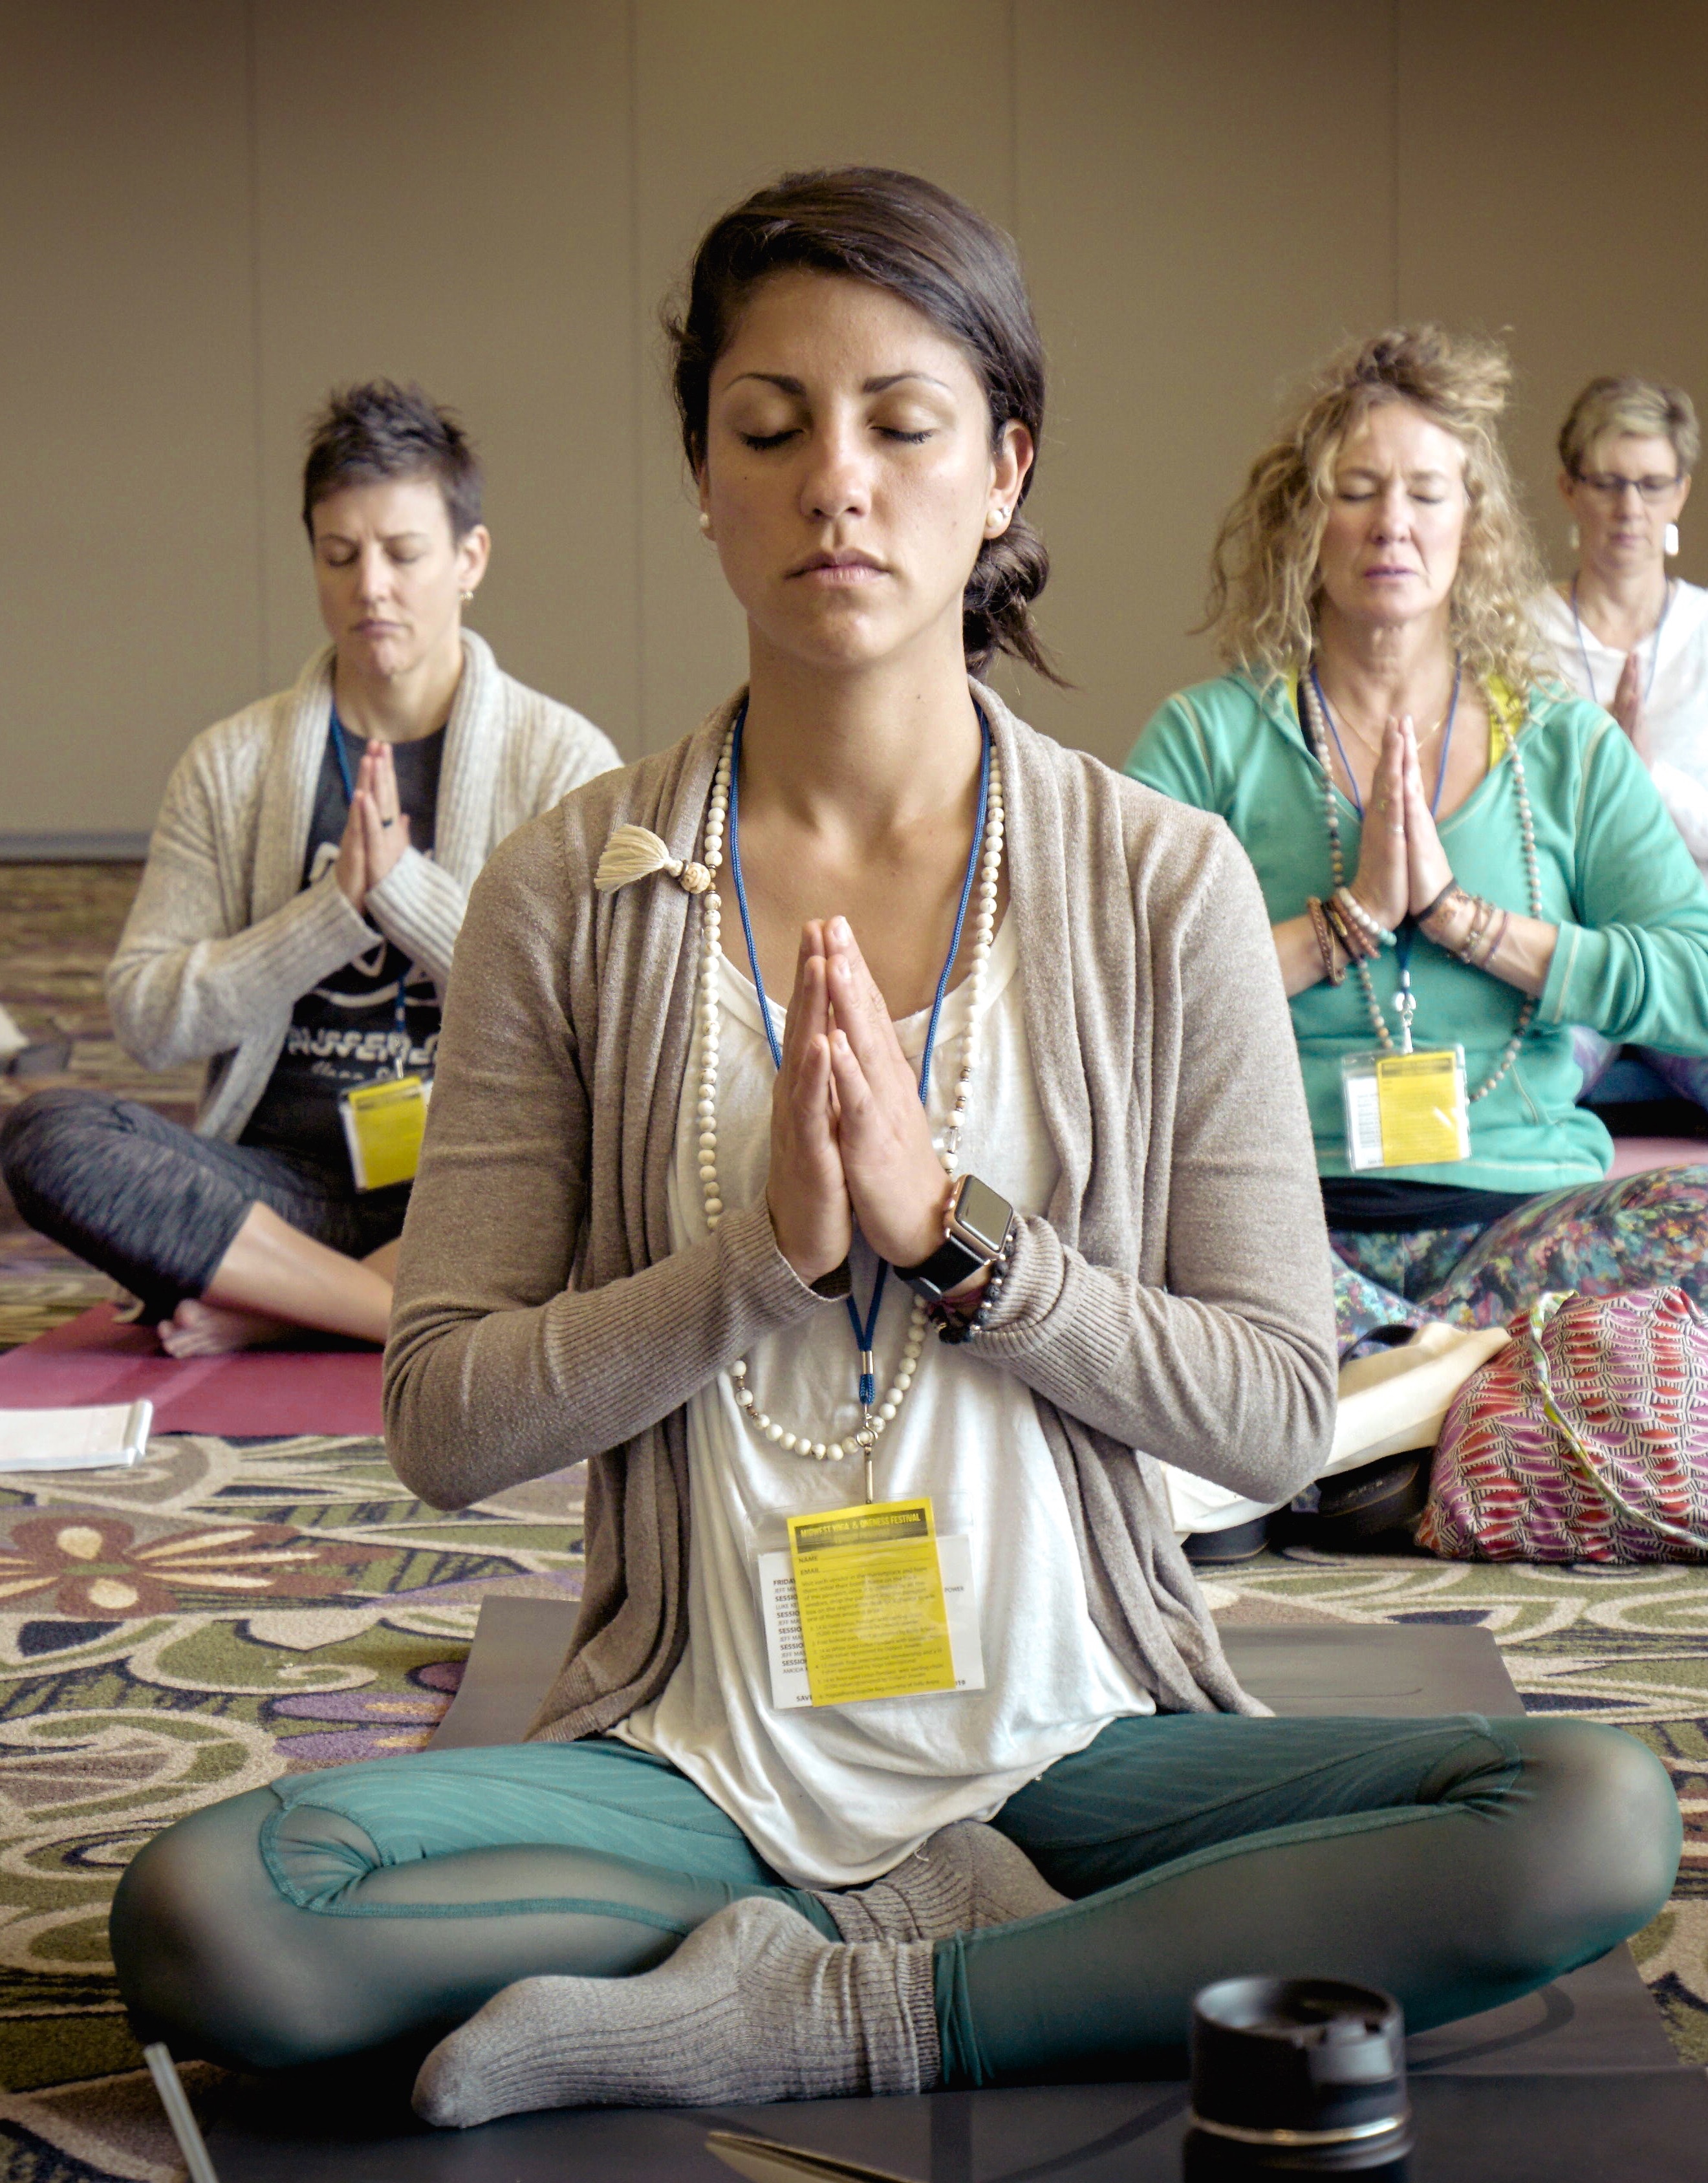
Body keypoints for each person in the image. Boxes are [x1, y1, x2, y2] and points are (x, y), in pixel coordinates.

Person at [109, 182, 1674, 2123]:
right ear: (702, 473)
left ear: (1002, 468)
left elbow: (1273, 1414)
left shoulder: (1153, 880)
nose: (833, 481)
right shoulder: (559, 894)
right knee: (219, 1913)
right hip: (696, 1756)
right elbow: (440, 1419)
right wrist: (743, 1273)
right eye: (768, 429)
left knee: (1588, 1816)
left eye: (900, 425)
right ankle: (970, 1955)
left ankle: (855, 2008)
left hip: (1070, 1742)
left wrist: (967, 1246)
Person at [1126, 327, 1708, 1545]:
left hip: (1516, 1230)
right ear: (1306, 522)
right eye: (1357, 490)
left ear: (1471, 524)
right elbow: (1121, 995)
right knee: (1106, 1260)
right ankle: (1464, 1413)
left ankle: (1356, 1433)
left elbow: (1696, 976)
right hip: (1284, 1234)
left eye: (1425, 492)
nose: (1392, 523)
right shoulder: (1210, 736)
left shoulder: (1558, 740)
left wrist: (1468, 923)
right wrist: (1346, 923)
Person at [0, 382, 617, 1355]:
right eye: (341, 556)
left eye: (403, 554)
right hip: (280, 1193)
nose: (371, 585)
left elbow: (592, 1023)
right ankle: (376, 1310)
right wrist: (327, 917)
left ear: (469, 559)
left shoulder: (562, 761)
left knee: (625, 1182)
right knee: (49, 1139)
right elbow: (148, 1017)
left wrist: (404, 896)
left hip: (471, 1183)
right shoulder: (230, 764)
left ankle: (277, 1308)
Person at [1536, 376, 1708, 1108]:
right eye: (1606, 481)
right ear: (1568, 488)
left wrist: (1641, 783)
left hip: (1690, 948)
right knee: (1516, 1102)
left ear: (1681, 492)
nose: (1628, 506)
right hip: (1563, 947)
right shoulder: (1511, 638)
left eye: (1649, 483)